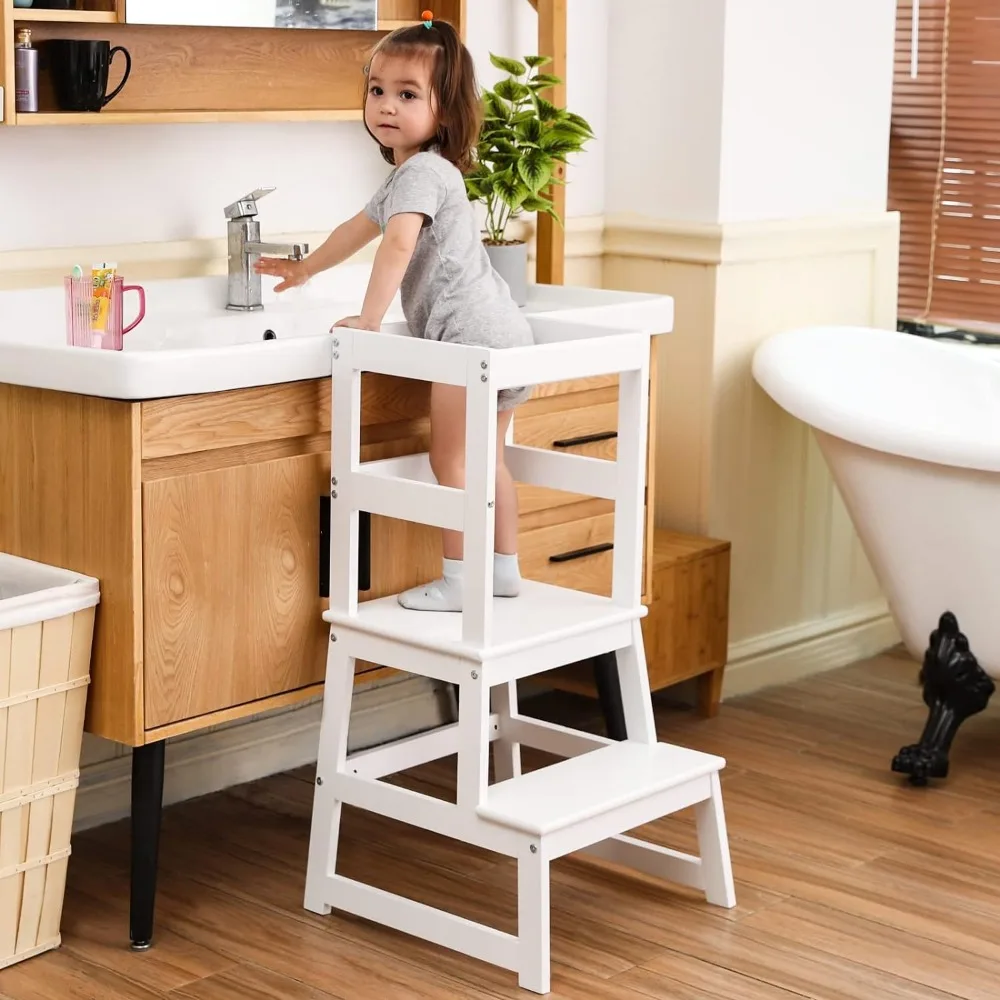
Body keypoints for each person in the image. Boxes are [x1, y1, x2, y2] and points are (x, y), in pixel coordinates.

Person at [255, 14, 533, 612]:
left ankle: (462, 580)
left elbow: (397, 245)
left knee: (451, 459)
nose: (386, 105)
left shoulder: (422, 172)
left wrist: (368, 320)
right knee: (488, 460)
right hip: (504, 331)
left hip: (468, 339)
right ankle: (504, 569)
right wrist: (305, 268)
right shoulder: (417, 174)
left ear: (446, 111)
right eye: (377, 90)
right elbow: (356, 230)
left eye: (407, 94)